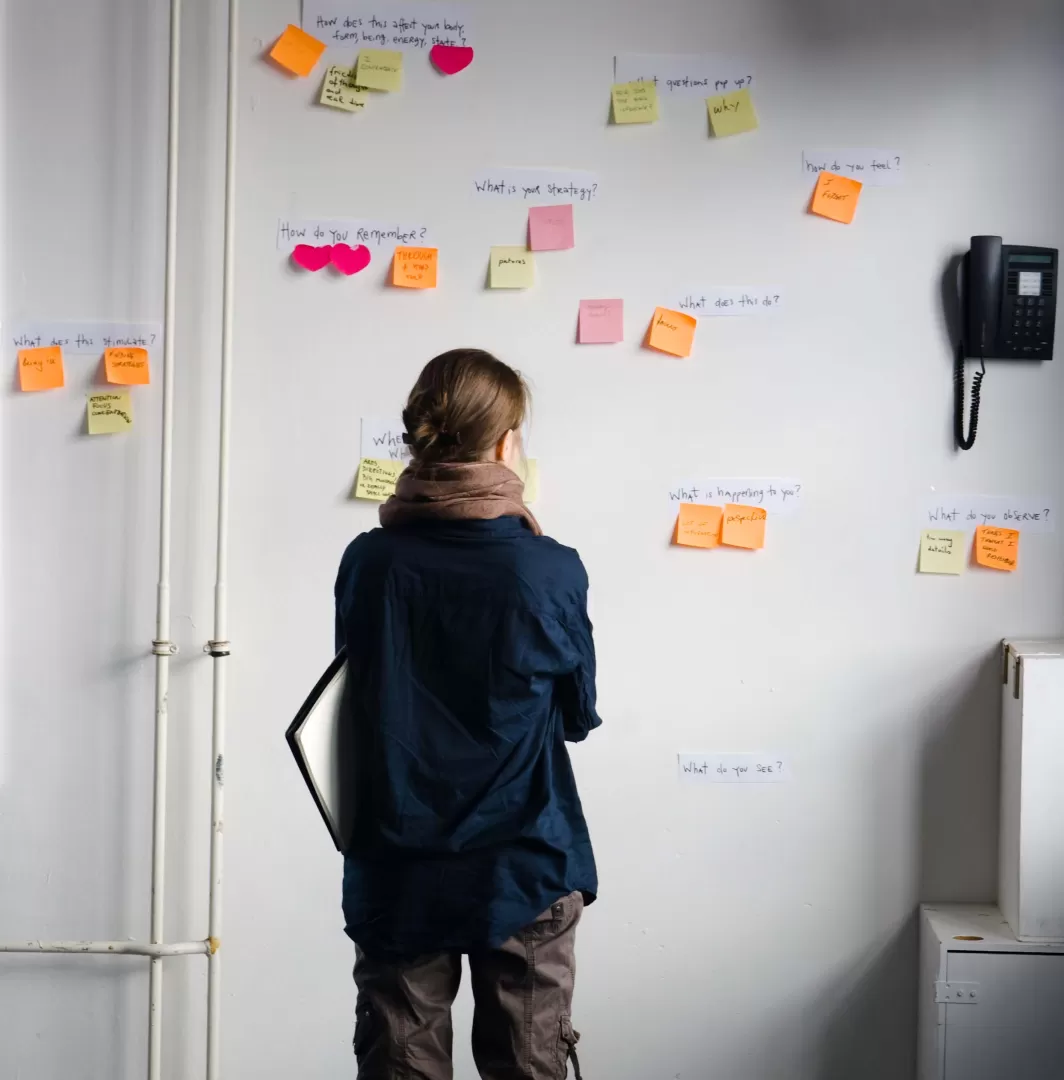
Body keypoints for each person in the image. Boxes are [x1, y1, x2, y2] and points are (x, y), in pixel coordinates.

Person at [334, 348, 601, 1080]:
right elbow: (576, 715)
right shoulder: (549, 568)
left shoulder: (369, 563)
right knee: (527, 1066)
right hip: (523, 861)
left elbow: (358, 701)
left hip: (398, 859)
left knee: (402, 1068)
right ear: (507, 443)